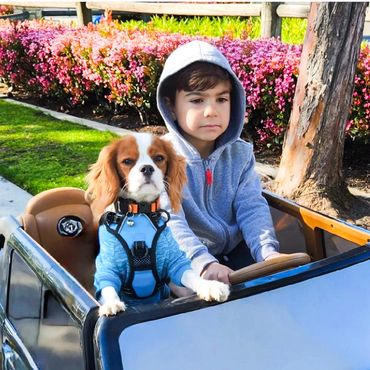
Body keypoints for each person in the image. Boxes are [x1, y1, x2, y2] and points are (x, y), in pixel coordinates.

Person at [157, 40, 282, 284]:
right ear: (171, 107)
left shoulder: (240, 154)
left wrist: (267, 251)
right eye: (197, 100)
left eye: (221, 100)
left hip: (233, 251)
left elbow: (251, 206)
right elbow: (170, 220)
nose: (211, 111)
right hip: (185, 259)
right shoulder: (160, 159)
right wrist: (203, 263)